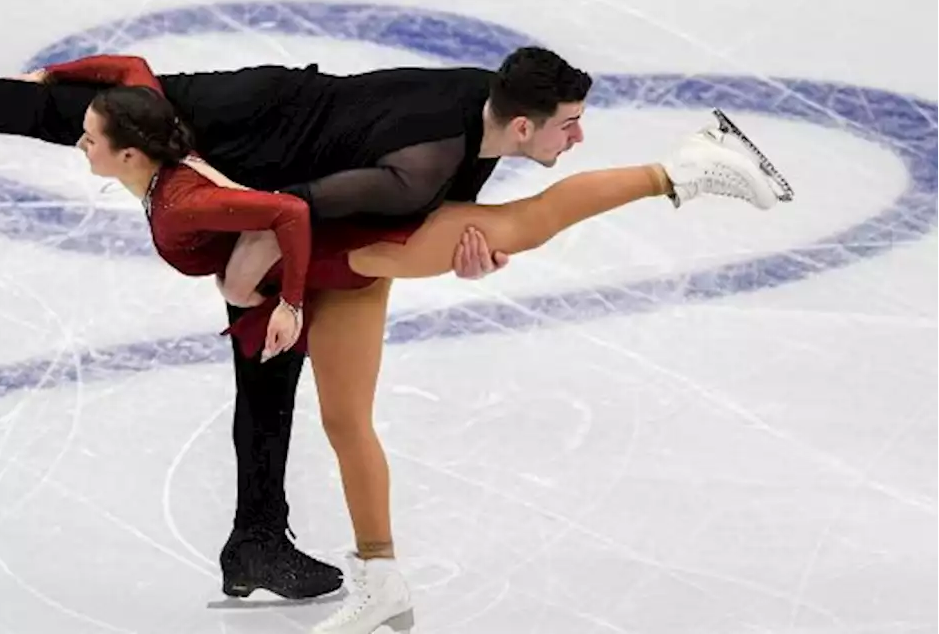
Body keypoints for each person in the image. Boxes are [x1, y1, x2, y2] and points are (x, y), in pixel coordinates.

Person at [0, 45, 592, 600]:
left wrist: (467, 244)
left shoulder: (482, 95)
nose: (577, 135)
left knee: (73, 115)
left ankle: (256, 537)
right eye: (567, 124)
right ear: (521, 121)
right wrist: (279, 292)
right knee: (266, 346)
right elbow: (292, 213)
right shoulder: (412, 173)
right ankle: (256, 536)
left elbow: (423, 182)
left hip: (270, 109)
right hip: (268, 170)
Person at [75, 82, 788, 634]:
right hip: (341, 267)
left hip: (356, 242)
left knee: (521, 222)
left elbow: (272, 229)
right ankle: (381, 584)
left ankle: (686, 166)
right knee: (346, 422)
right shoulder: (174, 175)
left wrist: (279, 300)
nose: (78, 143)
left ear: (131, 152)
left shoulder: (176, 202)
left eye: (88, 135)